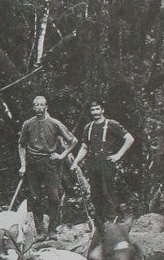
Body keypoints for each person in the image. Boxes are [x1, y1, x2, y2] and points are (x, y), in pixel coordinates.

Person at [18, 96, 77, 237]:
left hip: (50, 163)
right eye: (36, 105)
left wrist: (61, 156)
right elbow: (21, 146)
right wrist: (23, 165)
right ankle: (40, 231)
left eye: (41, 105)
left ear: (46, 107)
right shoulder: (28, 124)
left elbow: (73, 141)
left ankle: (52, 230)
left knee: (54, 198)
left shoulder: (55, 123)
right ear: (33, 107)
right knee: (35, 198)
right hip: (33, 163)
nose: (38, 108)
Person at [78, 101, 135, 220]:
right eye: (92, 110)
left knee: (108, 192)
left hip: (107, 162)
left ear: (102, 110)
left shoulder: (111, 124)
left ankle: (113, 220)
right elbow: (84, 147)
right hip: (93, 163)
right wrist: (75, 162)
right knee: (95, 195)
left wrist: (118, 155)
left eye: (97, 109)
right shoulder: (88, 127)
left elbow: (129, 139)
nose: (95, 112)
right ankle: (101, 223)